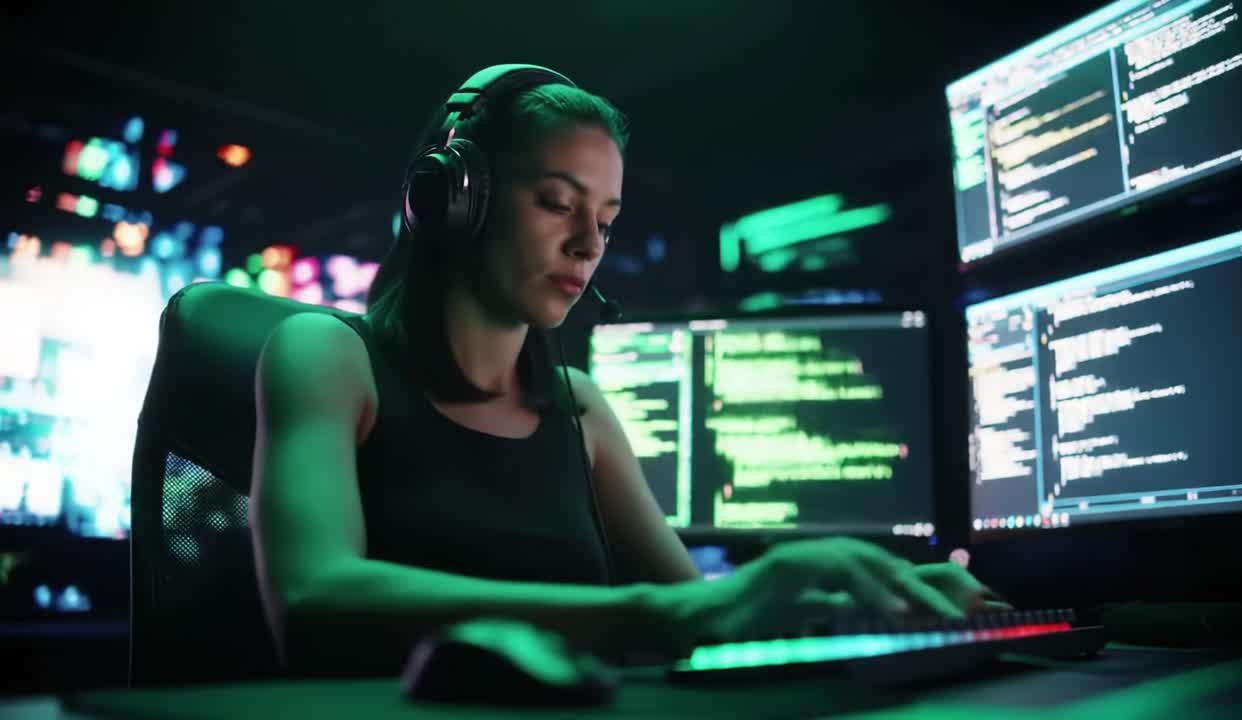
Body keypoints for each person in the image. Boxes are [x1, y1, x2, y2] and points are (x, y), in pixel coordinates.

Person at [248, 65, 1005, 677]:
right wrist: (657, 615)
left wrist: (869, 602)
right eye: (556, 203)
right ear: (453, 199)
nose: (588, 244)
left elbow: (706, 619)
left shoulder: (579, 407)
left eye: (605, 221)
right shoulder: (328, 354)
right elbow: (315, 594)